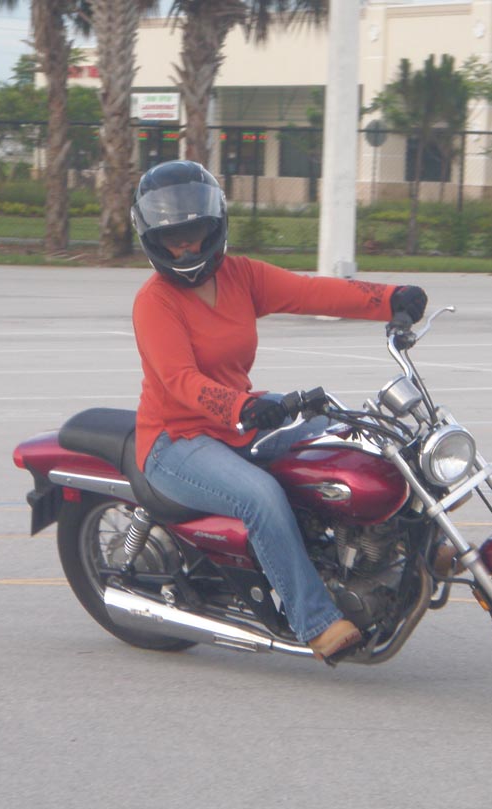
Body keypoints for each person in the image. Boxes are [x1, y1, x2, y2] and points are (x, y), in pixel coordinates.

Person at [129, 160, 428, 661]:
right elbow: (180, 382)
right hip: (177, 441)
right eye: (173, 239)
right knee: (262, 497)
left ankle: (404, 546)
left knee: (351, 432)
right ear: (154, 239)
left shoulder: (240, 276)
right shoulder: (154, 302)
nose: (187, 248)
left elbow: (312, 292)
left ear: (214, 226)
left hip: (238, 423)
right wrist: (243, 406)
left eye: (195, 234)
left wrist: (390, 297)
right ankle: (314, 620)